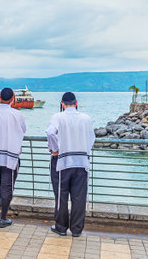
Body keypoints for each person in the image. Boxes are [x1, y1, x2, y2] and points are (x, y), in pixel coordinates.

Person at [46, 92, 95, 237]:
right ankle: (77, 229)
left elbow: (50, 132)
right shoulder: (86, 118)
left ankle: (61, 227)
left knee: (61, 195)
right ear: (76, 103)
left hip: (63, 161)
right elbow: (92, 138)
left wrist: (55, 149)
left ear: (62, 104)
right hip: (81, 162)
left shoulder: (57, 117)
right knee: (79, 197)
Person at [0, 88, 26, 228]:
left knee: (0, 174)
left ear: (0, 98)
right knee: (8, 184)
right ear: (13, 98)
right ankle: (3, 218)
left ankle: (1, 195)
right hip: (10, 153)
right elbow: (23, 131)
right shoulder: (17, 114)